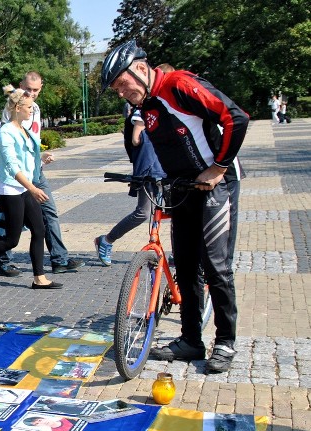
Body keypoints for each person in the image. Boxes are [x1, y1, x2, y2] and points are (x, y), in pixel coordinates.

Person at [101, 41, 249, 373]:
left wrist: (219, 167)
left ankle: (225, 341)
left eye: (122, 85)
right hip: (182, 189)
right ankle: (191, 340)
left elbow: (236, 118)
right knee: (184, 266)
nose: (122, 93)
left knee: (216, 265)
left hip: (217, 185)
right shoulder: (148, 106)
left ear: (140, 68)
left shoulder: (179, 85)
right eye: (116, 90)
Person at [0, 86, 61, 290]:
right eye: (29, 107)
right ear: (17, 108)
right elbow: (11, 165)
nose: (31, 111)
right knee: (11, 241)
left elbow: (25, 158)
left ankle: (39, 278)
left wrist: (41, 158)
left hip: (24, 188)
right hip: (11, 190)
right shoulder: (6, 132)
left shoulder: (24, 130)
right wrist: (33, 189)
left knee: (39, 230)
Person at [0, 71, 85, 277]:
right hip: (18, 177)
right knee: (11, 220)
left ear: (41, 88)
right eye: (27, 89)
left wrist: (40, 156)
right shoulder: (13, 108)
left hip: (36, 172)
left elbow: (29, 141)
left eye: (35, 90)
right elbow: (11, 145)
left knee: (49, 213)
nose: (31, 93)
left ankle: (59, 260)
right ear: (20, 85)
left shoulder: (35, 109)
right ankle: (3, 262)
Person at [94, 107, 166, 265]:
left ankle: (179, 253)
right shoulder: (143, 111)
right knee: (143, 213)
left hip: (168, 170)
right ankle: (106, 240)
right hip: (148, 170)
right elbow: (136, 139)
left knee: (177, 213)